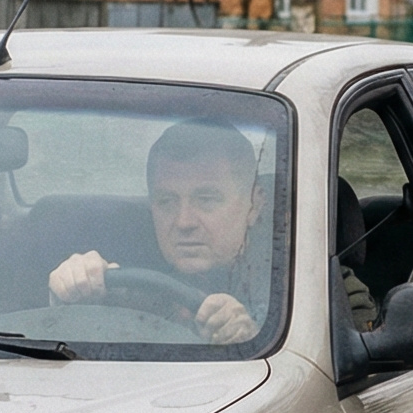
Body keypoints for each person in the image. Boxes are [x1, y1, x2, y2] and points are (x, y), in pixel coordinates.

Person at [48, 118, 376, 344]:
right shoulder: (127, 288)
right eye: (167, 201)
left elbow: (355, 383)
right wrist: (69, 296)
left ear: (254, 205)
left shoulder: (321, 292)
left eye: (206, 199)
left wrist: (257, 339)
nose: (184, 221)